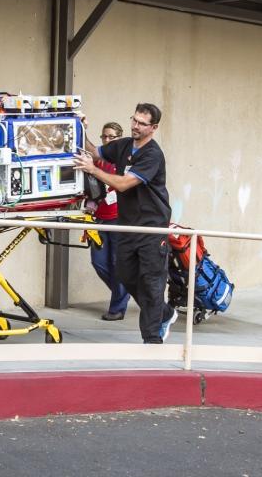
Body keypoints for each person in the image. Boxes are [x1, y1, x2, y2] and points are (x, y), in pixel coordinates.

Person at [74, 103, 176, 344]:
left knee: (151, 283)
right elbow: (95, 151)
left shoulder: (152, 155)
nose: (135, 126)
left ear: (154, 127)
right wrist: (80, 127)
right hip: (128, 226)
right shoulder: (122, 146)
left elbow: (122, 184)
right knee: (126, 276)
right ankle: (164, 313)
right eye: (134, 120)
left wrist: (93, 170)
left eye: (142, 123)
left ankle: (152, 340)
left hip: (151, 228)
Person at [87, 122, 130, 321]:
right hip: (99, 219)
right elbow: (88, 148)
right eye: (104, 136)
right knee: (99, 263)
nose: (106, 140)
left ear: (119, 139)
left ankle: (117, 308)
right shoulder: (99, 160)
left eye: (111, 137)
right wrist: (81, 126)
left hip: (119, 219)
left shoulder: (124, 161)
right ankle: (124, 291)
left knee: (117, 263)